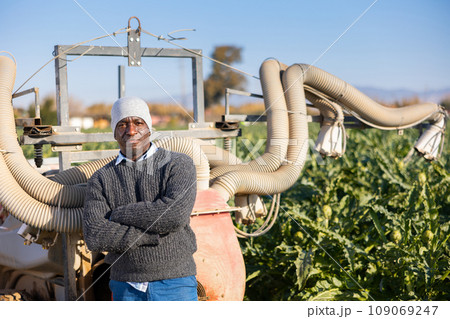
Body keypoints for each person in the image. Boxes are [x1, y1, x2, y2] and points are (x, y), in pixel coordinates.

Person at [83, 96, 198, 301]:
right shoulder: (101, 178)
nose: (131, 131)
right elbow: (95, 235)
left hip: (174, 283)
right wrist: (149, 235)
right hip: (125, 286)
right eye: (122, 124)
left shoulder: (177, 164)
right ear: (114, 131)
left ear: (149, 128)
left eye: (138, 122)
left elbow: (174, 215)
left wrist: (117, 214)